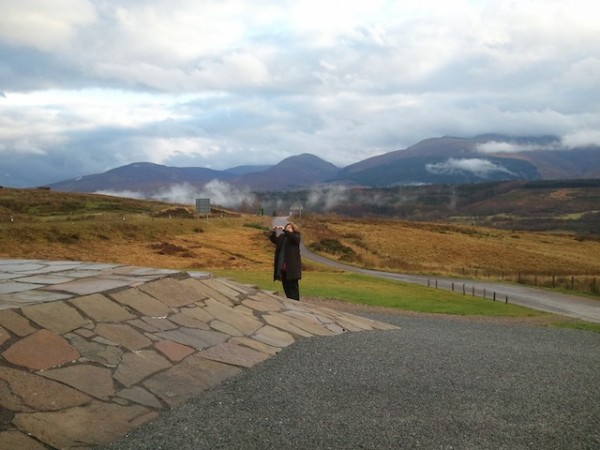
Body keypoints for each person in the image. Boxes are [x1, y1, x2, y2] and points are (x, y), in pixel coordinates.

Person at [269, 222, 302, 300]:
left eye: (289, 227)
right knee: (286, 286)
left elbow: (295, 239)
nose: (287, 229)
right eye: (287, 227)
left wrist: (285, 231)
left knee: (293, 286)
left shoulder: (296, 236)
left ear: (294, 229)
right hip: (283, 267)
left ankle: (296, 303)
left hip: (292, 267)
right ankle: (289, 300)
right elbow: (274, 240)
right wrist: (274, 232)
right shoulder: (283, 237)